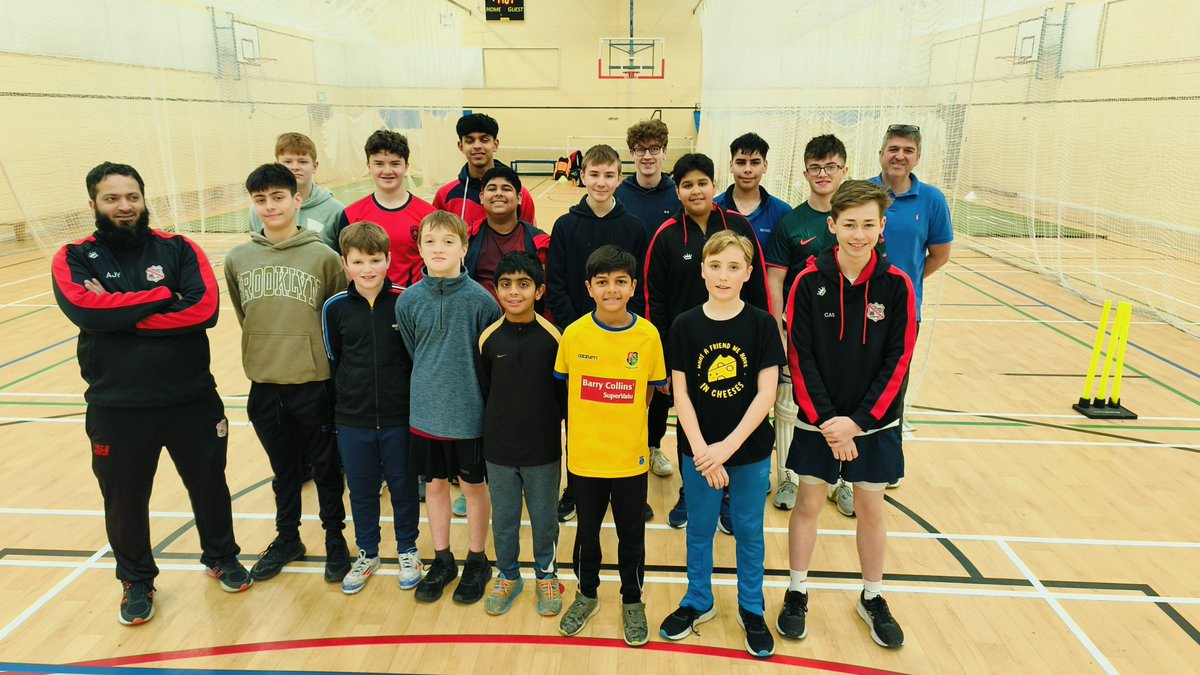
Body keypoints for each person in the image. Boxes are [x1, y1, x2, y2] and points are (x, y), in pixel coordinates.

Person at [52, 162, 250, 625]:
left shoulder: (179, 248)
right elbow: (86, 310)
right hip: (117, 407)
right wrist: (163, 295)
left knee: (209, 484)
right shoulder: (73, 256)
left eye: (132, 196)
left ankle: (221, 556)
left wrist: (118, 312)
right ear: (94, 205)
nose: (124, 206)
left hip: (191, 399)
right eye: (112, 198)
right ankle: (136, 580)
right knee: (123, 498)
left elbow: (203, 308)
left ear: (144, 198)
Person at [776, 180, 916, 650]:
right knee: (809, 504)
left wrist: (855, 423)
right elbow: (799, 355)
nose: (859, 234)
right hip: (821, 420)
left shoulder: (897, 286)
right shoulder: (806, 281)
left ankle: (872, 597)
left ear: (881, 228)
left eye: (868, 225)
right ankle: (796, 591)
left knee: (871, 509)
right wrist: (829, 422)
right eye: (850, 224)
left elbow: (899, 360)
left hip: (872, 424)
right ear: (832, 225)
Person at [658, 231, 784, 658]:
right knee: (700, 528)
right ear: (702, 270)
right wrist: (701, 452)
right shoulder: (684, 325)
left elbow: (766, 395)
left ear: (749, 274)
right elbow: (682, 395)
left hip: (745, 451)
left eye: (734, 267)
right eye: (715, 266)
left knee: (749, 529)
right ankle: (699, 599)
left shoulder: (762, 325)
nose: (723, 275)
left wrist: (724, 450)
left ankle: (751, 606)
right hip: (699, 450)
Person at [225, 163, 349, 584]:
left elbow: (336, 319)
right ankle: (287, 539)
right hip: (264, 384)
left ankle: (335, 539)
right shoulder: (239, 258)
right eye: (260, 200)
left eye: (278, 197)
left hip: (314, 384)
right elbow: (245, 315)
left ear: (297, 199)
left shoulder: (324, 257)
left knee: (327, 469)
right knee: (285, 473)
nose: (269, 206)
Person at [644, 152, 770, 530]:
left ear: (714, 186)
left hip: (736, 350)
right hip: (687, 352)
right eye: (687, 184)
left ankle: (728, 495)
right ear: (677, 191)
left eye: (702, 182)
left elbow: (759, 287)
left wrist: (760, 343)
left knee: (733, 415)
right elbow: (655, 301)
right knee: (691, 419)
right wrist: (664, 361)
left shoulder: (738, 227)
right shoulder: (666, 237)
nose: (695, 190)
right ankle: (692, 489)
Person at [554, 245, 666, 648]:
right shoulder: (574, 334)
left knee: (631, 535)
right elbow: (568, 387)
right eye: (602, 282)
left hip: (629, 459)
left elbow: (650, 395)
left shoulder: (648, 335)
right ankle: (586, 594)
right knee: (587, 533)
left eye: (620, 282)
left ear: (633, 286)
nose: (612, 290)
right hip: (585, 457)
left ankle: (632, 601)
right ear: (589, 288)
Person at [394, 211, 501, 605]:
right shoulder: (408, 301)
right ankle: (442, 559)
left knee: (474, 487)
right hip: (425, 415)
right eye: (430, 242)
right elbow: (413, 351)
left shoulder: (481, 301)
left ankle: (477, 558)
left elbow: (488, 358)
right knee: (435, 487)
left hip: (469, 417)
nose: (438, 249)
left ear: (464, 247)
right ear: (419, 247)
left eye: (448, 242)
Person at [545, 144, 650, 522]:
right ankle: (575, 486)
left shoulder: (634, 227)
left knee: (625, 411)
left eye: (609, 175)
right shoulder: (565, 225)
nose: (601, 182)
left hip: (624, 340)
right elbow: (554, 281)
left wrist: (620, 327)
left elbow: (639, 284)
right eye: (594, 174)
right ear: (582, 176)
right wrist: (580, 327)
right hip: (581, 339)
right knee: (579, 415)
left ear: (619, 179)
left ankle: (630, 481)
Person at [321, 222, 423, 595]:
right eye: (358, 261)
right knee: (362, 489)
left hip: (400, 418)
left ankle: (409, 550)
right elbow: (334, 360)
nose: (367, 269)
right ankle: (367, 552)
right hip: (353, 419)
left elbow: (416, 358)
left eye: (375, 260)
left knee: (403, 487)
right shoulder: (334, 309)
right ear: (345, 264)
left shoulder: (406, 301)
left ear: (389, 260)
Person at [764, 134, 852, 513]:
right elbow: (775, 280)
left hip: (848, 335)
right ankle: (787, 477)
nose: (823, 174)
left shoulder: (855, 219)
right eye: (815, 167)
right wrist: (779, 331)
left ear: (844, 171)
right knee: (787, 405)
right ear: (805, 172)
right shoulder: (792, 222)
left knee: (845, 405)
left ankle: (844, 480)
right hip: (800, 333)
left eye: (830, 167)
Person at [477, 252, 566, 617]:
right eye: (506, 285)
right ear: (496, 289)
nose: (514, 293)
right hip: (498, 450)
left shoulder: (553, 338)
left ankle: (547, 573)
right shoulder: (487, 339)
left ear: (539, 290)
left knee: (545, 518)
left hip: (542, 450)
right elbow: (484, 392)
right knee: (505, 518)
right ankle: (508, 574)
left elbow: (563, 399)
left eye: (524, 285)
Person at [615, 119, 681, 481]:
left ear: (665, 152)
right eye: (641, 150)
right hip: (623, 303)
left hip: (665, 305)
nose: (648, 156)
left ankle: (653, 445)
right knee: (624, 379)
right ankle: (625, 443)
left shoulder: (677, 194)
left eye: (654, 149)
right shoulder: (619, 194)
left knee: (661, 379)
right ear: (631, 155)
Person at [335, 130, 436, 288]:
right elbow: (345, 265)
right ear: (369, 166)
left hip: (413, 305)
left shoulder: (428, 215)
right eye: (379, 163)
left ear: (406, 166)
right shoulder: (350, 215)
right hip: (368, 305)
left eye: (395, 163)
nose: (387, 171)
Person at [435, 112, 537, 233]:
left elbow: (529, 236)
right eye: (470, 141)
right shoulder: (445, 195)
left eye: (484, 140)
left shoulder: (518, 193)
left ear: (495, 144)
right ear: (461, 146)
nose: (477, 146)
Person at [465, 165, 551, 302]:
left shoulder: (541, 243)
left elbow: (549, 291)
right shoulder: (466, 239)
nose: (498, 193)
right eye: (492, 189)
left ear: (519, 198)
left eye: (506, 189)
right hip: (478, 321)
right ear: (481, 197)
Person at [248, 132, 344, 248]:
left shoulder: (336, 210)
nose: (295, 167)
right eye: (287, 162)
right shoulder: (259, 210)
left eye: (302, 161)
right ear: (277, 165)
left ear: (315, 166)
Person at [713, 132, 791, 249]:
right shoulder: (713, 208)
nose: (747, 169)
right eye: (741, 162)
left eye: (755, 163)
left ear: (765, 166)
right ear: (731, 165)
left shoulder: (782, 212)